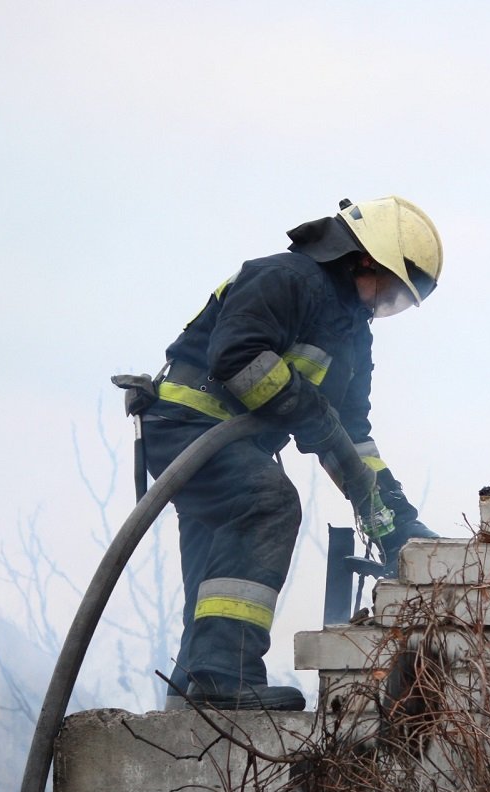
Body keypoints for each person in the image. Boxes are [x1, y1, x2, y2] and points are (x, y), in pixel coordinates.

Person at [142, 196, 443, 711]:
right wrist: (309, 412)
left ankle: (198, 695)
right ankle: (226, 675)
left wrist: (395, 523)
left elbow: (351, 438)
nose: (383, 303)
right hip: (189, 427)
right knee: (268, 503)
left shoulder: (352, 334)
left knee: (217, 582)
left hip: (235, 447)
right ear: (364, 258)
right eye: (390, 288)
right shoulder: (286, 279)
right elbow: (238, 359)